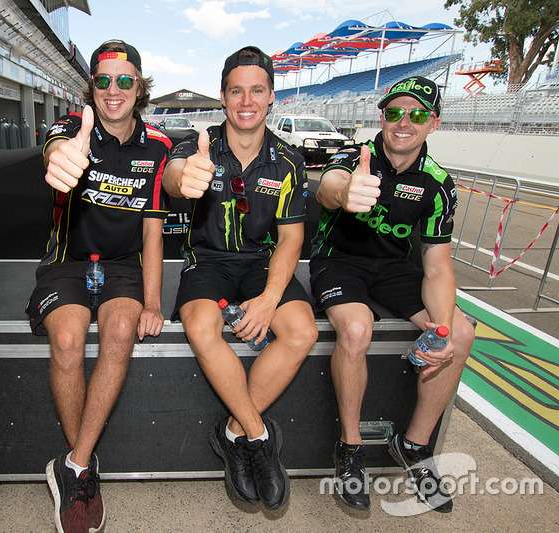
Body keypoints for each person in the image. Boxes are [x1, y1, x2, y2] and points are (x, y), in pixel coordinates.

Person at [311, 75, 476, 513]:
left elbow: (437, 266)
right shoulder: (354, 155)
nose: (404, 122)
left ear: (433, 123)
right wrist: (346, 191)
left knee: (459, 332)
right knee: (357, 328)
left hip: (393, 270)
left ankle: (414, 446)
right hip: (337, 260)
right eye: (395, 112)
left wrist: (440, 330)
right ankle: (350, 449)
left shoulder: (439, 183)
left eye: (417, 114)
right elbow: (327, 188)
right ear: (381, 117)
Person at [163, 45, 318, 511]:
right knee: (201, 327)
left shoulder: (288, 160)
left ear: (271, 96)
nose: (246, 100)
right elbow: (174, 176)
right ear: (224, 96)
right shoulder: (196, 146)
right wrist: (183, 177)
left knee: (302, 331)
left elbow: (292, 240)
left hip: (260, 265)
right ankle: (259, 437)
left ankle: (230, 432)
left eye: (256, 90)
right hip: (206, 262)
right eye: (236, 91)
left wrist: (271, 297)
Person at [26, 40, 170, 533]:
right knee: (66, 340)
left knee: (120, 333)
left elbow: (153, 231)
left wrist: (153, 302)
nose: (113, 90)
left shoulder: (158, 146)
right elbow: (57, 147)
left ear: (139, 86)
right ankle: (83, 467)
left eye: (125, 80)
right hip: (65, 263)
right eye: (103, 80)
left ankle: (74, 466)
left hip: (125, 267)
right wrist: (63, 156)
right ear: (91, 86)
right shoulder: (70, 129)